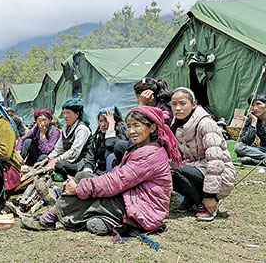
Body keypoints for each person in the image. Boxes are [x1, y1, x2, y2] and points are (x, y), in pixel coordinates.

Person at [21, 106, 179, 236]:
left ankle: (49, 219)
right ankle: (95, 218)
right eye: (129, 126)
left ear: (152, 127)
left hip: (144, 207)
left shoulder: (149, 154)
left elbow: (117, 181)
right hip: (133, 195)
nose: (131, 131)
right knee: (83, 176)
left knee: (88, 192)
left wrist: (79, 188)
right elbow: (111, 170)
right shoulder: (140, 147)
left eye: (137, 125)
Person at [170, 87, 236, 221]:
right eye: (174, 104)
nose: (177, 108)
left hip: (220, 173)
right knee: (164, 169)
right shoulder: (177, 123)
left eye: (182, 103)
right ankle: (193, 200)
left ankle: (205, 203)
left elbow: (216, 161)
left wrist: (209, 195)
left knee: (173, 169)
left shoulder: (206, 123)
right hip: (199, 167)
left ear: (194, 104)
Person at [114, 77, 174, 164]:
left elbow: (141, 127)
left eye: (139, 98)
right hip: (147, 143)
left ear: (150, 97)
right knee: (119, 146)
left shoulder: (165, 111)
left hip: (159, 148)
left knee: (130, 143)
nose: (137, 101)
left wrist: (142, 105)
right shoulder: (151, 107)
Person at [36, 98, 92, 180]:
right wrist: (48, 159)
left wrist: (57, 159)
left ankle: (68, 177)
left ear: (77, 114)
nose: (65, 116)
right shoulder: (66, 128)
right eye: (64, 113)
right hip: (67, 159)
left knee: (59, 165)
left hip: (79, 162)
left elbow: (74, 152)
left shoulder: (82, 129)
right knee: (43, 158)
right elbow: (59, 148)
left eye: (68, 113)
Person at [82, 106, 129, 175]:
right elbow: (91, 158)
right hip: (99, 173)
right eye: (100, 121)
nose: (103, 125)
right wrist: (87, 170)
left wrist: (111, 128)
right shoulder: (97, 137)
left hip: (113, 175)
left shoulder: (121, 137)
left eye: (106, 121)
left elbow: (110, 144)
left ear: (114, 122)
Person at [234, 92, 266, 166]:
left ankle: (257, 161)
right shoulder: (251, 120)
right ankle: (262, 160)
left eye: (258, 104)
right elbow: (246, 142)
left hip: (261, 153)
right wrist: (254, 121)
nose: (255, 108)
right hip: (262, 150)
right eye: (252, 105)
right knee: (239, 147)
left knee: (246, 158)